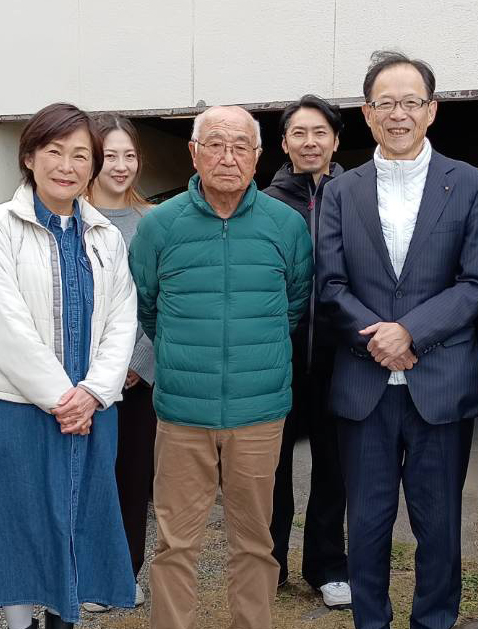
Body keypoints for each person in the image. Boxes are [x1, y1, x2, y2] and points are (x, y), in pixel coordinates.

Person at [316, 51, 478, 629]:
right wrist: (381, 340)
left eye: (410, 102)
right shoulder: (342, 192)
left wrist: (410, 331)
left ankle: (434, 621)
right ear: (368, 114)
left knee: (438, 524)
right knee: (365, 523)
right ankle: (370, 620)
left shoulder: (470, 184)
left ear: (432, 110)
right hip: (363, 384)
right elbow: (332, 283)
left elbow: (476, 282)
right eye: (385, 103)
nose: (399, 114)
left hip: (440, 382)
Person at [0, 103, 138, 629]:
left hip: (92, 406)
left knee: (77, 515)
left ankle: (65, 617)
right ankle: (19, 623)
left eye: (81, 155)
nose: (67, 165)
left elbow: (123, 318)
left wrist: (94, 392)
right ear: (29, 156)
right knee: (17, 518)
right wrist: (62, 397)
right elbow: (2, 323)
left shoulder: (104, 236)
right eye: (54, 151)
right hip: (18, 404)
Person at [128, 105, 312, 629]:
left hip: (259, 412)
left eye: (239, 146)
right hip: (183, 413)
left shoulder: (287, 225)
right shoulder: (160, 226)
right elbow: (148, 307)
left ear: (258, 156)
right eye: (214, 144)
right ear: (194, 152)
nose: (226, 157)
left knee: (255, 541)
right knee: (175, 540)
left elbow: (294, 305)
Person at [261, 94, 350, 608]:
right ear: (284, 143)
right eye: (299, 133)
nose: (310, 141)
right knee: (271, 468)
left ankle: (327, 566)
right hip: (280, 359)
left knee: (334, 468)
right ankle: (269, 563)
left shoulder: (358, 195)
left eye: (320, 132)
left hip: (340, 359)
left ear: (335, 140)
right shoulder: (266, 203)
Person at [81, 113, 155, 612]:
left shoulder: (154, 222)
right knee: (86, 479)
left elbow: (164, 301)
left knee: (131, 478)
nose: (121, 165)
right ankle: (85, 572)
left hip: (136, 381)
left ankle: (125, 573)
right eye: (111, 155)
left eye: (130, 155)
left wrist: (136, 363)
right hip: (80, 380)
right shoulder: (69, 216)